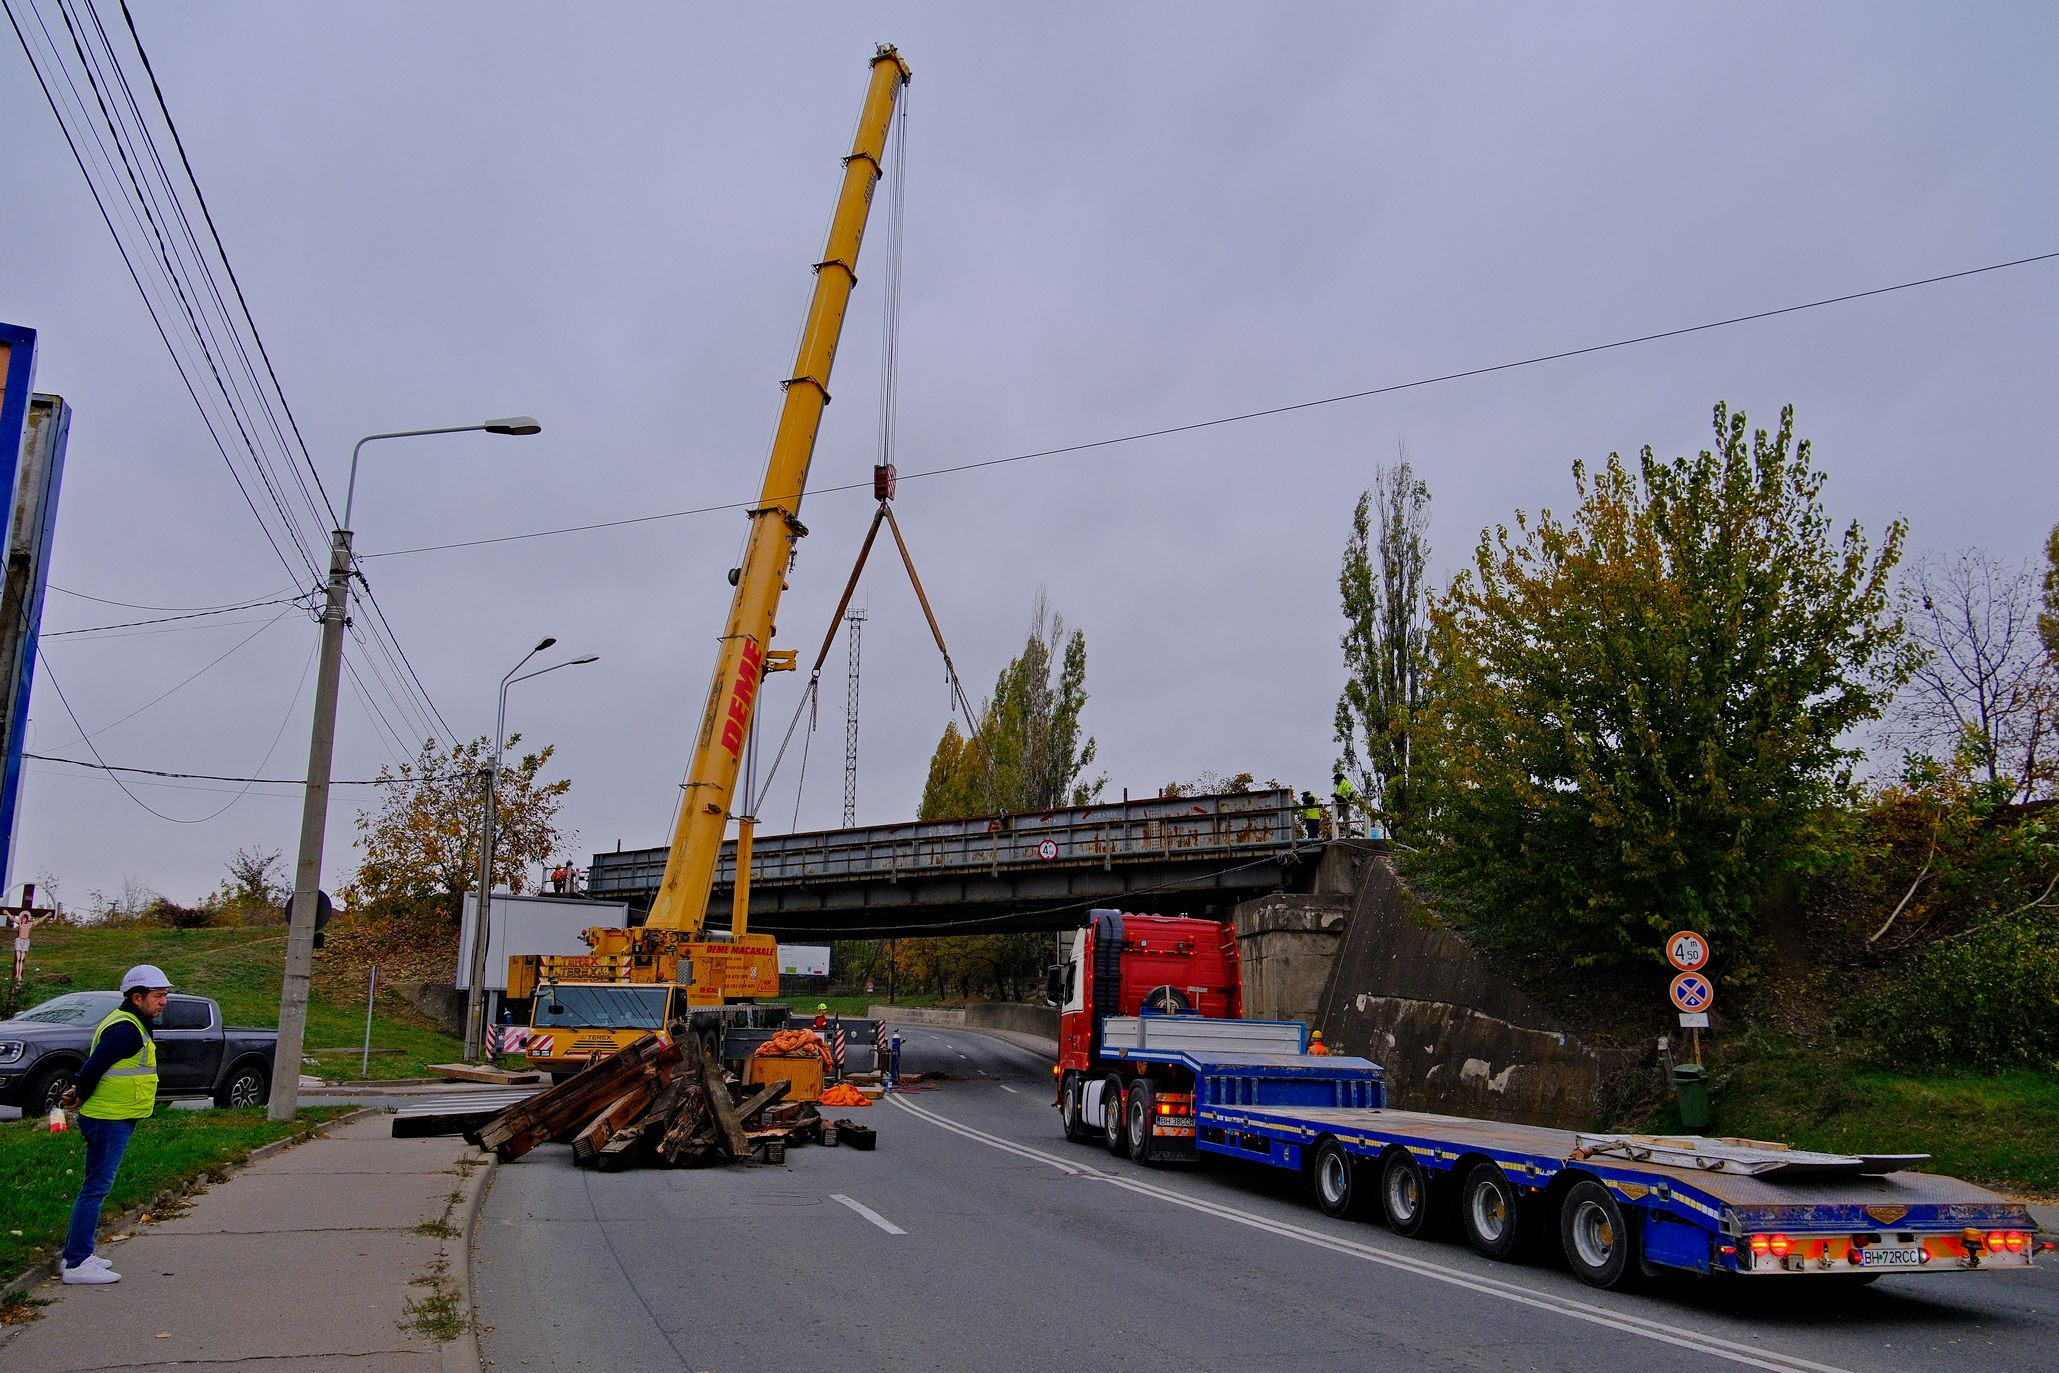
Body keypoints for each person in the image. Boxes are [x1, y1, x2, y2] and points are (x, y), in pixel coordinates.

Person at [57, 964, 172, 1285]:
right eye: (158, 996)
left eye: (165, 995)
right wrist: (80, 1093)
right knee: (95, 1189)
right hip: (108, 1119)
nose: (163, 1001)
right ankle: (77, 1264)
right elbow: (94, 1066)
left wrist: (78, 1090)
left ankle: (76, 1254)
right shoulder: (125, 1029)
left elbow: (98, 1067)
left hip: (114, 1116)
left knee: (94, 1188)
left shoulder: (131, 1023)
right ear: (137, 998)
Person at [1332, 771, 1358, 839]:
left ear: (1338, 779)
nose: (1334, 781)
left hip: (1344, 803)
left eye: (1335, 779)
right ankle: (1334, 834)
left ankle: (1348, 835)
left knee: (1346, 820)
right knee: (1334, 819)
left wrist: (1347, 802)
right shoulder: (1337, 785)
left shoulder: (1346, 783)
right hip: (1338, 804)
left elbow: (1350, 793)